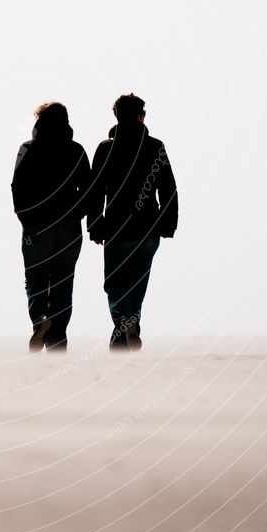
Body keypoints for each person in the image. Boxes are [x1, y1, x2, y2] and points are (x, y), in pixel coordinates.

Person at [87, 94, 178, 351]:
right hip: (148, 228)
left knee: (115, 284)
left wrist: (95, 225)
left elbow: (95, 191)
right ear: (141, 116)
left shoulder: (106, 148)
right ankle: (129, 326)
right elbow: (168, 189)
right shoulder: (155, 147)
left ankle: (123, 323)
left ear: (116, 116)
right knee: (137, 284)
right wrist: (168, 224)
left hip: (117, 228)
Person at [12, 102, 91, 351]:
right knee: (63, 284)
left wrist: (26, 217)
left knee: (34, 281)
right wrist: (76, 213)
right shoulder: (76, 150)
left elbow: (17, 186)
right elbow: (89, 189)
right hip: (68, 228)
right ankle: (57, 343)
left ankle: (40, 320)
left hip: (36, 227)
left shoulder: (28, 149)